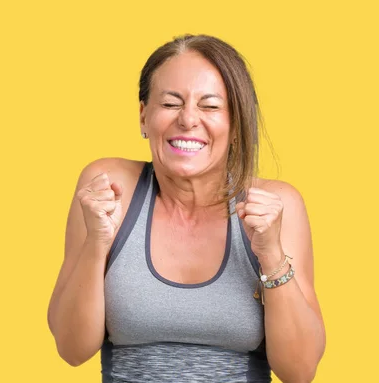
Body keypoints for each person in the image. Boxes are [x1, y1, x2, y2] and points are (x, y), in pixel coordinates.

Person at [47, 34, 326, 382]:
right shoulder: (109, 187)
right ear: (143, 116)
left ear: (236, 125)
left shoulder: (276, 207)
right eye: (170, 103)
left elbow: (299, 371)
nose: (188, 119)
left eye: (209, 106)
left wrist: (270, 255)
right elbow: (72, 350)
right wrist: (96, 244)